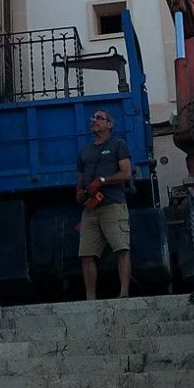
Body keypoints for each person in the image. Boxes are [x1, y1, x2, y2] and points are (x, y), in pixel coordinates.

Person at [76, 109, 133, 300]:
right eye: (93, 118)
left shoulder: (118, 145)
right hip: (90, 208)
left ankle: (123, 293)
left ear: (109, 124)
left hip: (112, 204)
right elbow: (81, 176)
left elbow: (126, 173)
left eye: (99, 118)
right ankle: (90, 299)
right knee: (86, 253)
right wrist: (79, 192)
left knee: (121, 248)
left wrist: (102, 180)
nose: (94, 120)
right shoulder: (85, 150)